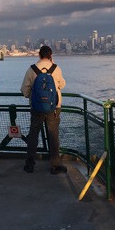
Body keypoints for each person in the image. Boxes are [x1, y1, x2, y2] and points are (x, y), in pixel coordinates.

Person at [20, 45, 67, 174]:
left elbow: (24, 91)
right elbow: (62, 84)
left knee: (33, 135)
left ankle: (29, 164)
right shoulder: (56, 68)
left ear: (39, 55)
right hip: (54, 108)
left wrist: (36, 96)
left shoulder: (32, 69)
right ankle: (55, 165)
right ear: (51, 56)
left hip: (36, 108)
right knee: (53, 135)